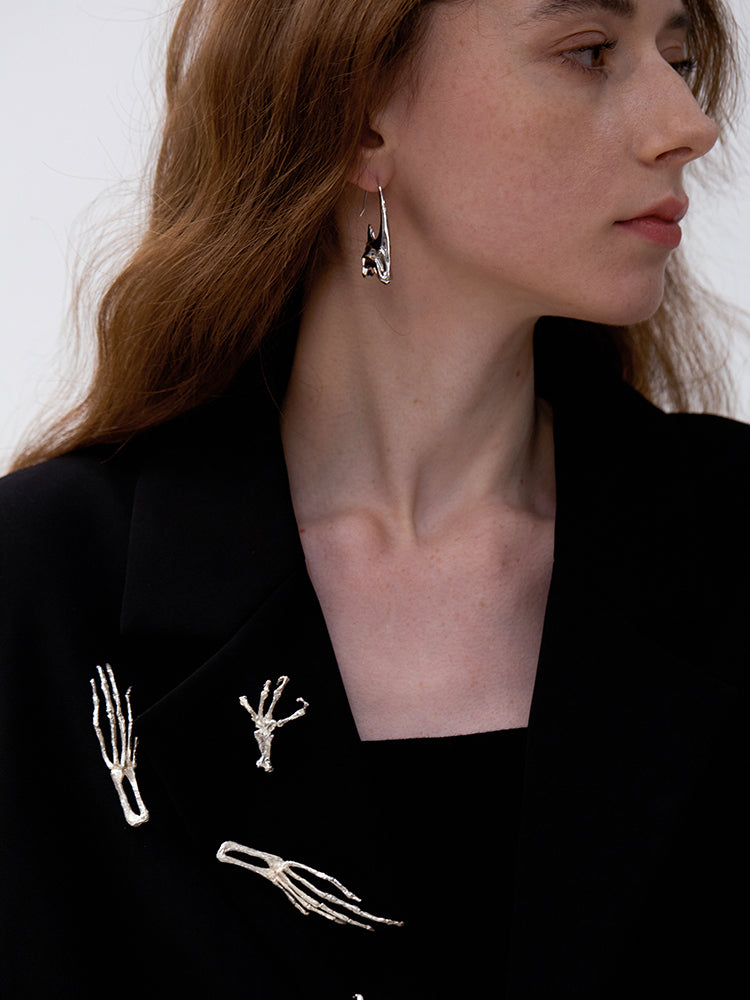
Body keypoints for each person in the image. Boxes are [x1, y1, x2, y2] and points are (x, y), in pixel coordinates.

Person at [1, 1, 746, 997]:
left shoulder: (739, 544)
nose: (688, 121)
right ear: (358, 114)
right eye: (590, 51)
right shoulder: (40, 590)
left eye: (681, 54)